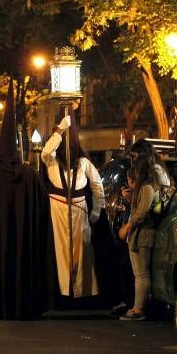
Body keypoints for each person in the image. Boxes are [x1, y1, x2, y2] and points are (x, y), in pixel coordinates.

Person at [0, 78, 51, 319]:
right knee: (22, 261)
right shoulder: (31, 176)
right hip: (24, 242)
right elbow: (42, 215)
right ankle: (24, 303)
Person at [41, 113, 104, 298]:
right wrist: (60, 130)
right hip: (57, 207)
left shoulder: (83, 163)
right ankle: (62, 290)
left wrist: (97, 209)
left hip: (79, 208)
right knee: (60, 250)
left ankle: (81, 290)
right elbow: (45, 152)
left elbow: (97, 185)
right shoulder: (51, 160)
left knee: (81, 250)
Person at [117, 158, 160, 321]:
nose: (129, 182)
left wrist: (127, 227)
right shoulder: (142, 189)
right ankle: (136, 306)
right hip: (136, 235)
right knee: (138, 273)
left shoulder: (147, 188)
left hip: (143, 234)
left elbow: (142, 212)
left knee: (142, 273)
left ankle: (139, 309)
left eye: (131, 178)